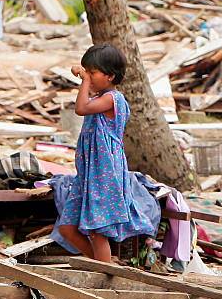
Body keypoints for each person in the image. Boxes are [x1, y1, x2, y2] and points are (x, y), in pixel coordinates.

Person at [57, 43, 158, 263]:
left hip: (104, 173)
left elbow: (81, 108)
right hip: (88, 176)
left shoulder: (113, 99)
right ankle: (105, 264)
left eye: (93, 73)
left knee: (97, 230)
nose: (88, 77)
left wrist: (84, 82)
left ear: (110, 76)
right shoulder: (100, 97)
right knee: (67, 228)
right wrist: (86, 80)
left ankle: (104, 271)